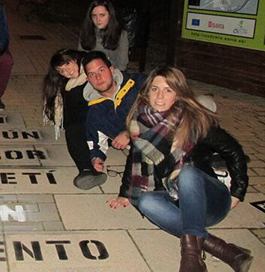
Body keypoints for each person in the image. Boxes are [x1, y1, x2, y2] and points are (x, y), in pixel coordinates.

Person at [107, 66, 252, 272]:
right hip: (178, 204)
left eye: (168, 90)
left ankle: (191, 260)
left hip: (209, 201)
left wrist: (238, 191)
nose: (159, 96)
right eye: (155, 89)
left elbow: (234, 151)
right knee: (145, 200)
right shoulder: (139, 124)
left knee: (188, 173)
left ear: (178, 94)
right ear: (146, 91)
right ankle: (224, 250)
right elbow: (134, 159)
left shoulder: (195, 121)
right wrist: (125, 193)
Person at [42, 49, 106, 189]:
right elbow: (70, 117)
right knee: (74, 131)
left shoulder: (92, 72)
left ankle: (94, 159)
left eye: (68, 65)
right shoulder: (68, 85)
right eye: (62, 71)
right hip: (85, 126)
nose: (67, 72)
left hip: (105, 121)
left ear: (76, 59)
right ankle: (87, 170)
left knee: (80, 129)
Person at [82, 51, 146, 176]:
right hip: (140, 150)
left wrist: (129, 133)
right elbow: (95, 141)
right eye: (92, 74)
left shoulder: (139, 84)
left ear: (111, 70)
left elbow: (161, 113)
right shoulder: (95, 110)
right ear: (87, 79)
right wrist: (96, 159)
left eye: (101, 71)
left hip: (165, 135)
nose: (98, 78)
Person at [78, 0, 129, 71]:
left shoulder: (120, 34)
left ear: (110, 15)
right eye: (94, 16)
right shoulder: (86, 31)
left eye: (102, 15)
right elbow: (81, 56)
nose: (98, 19)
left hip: (112, 72)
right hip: (90, 71)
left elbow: (122, 65)